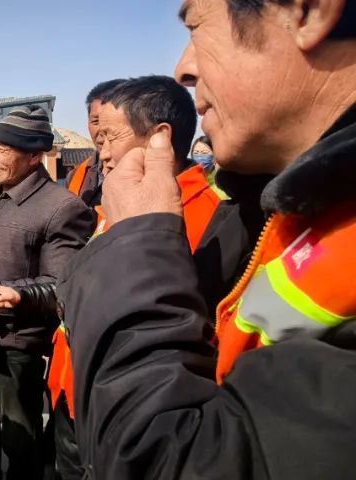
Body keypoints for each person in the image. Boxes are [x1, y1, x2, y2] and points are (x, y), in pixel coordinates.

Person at [58, 0, 356, 478]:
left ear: (309, 11)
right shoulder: (276, 206)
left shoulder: (195, 209)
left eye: (197, 27)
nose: (183, 69)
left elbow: (179, 457)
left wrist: (136, 245)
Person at [47, 75, 259, 480]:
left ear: (160, 137)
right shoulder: (121, 202)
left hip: (138, 416)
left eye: (111, 138)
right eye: (99, 140)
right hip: (78, 396)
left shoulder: (212, 221)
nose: (103, 154)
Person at [0, 107, 94, 480]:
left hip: (17, 341)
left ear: (35, 155)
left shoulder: (62, 208)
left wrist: (10, 292)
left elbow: (62, 285)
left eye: (4, 150)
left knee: (19, 432)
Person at [64, 79, 125, 207]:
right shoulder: (76, 175)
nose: (102, 130)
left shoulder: (149, 174)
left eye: (111, 120)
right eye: (96, 121)